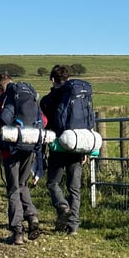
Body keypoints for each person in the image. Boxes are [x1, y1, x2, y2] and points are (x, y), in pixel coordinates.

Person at [0, 73, 41, 245]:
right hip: (30, 146)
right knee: (23, 184)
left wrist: (0, 142)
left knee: (13, 188)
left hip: (10, 151)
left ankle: (17, 232)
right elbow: (43, 120)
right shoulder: (28, 97)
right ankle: (32, 218)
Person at [39, 65, 85, 235]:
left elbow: (43, 124)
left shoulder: (47, 100)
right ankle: (72, 227)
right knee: (74, 188)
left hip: (57, 146)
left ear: (52, 79)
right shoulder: (77, 97)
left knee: (53, 183)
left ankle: (62, 206)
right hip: (76, 146)